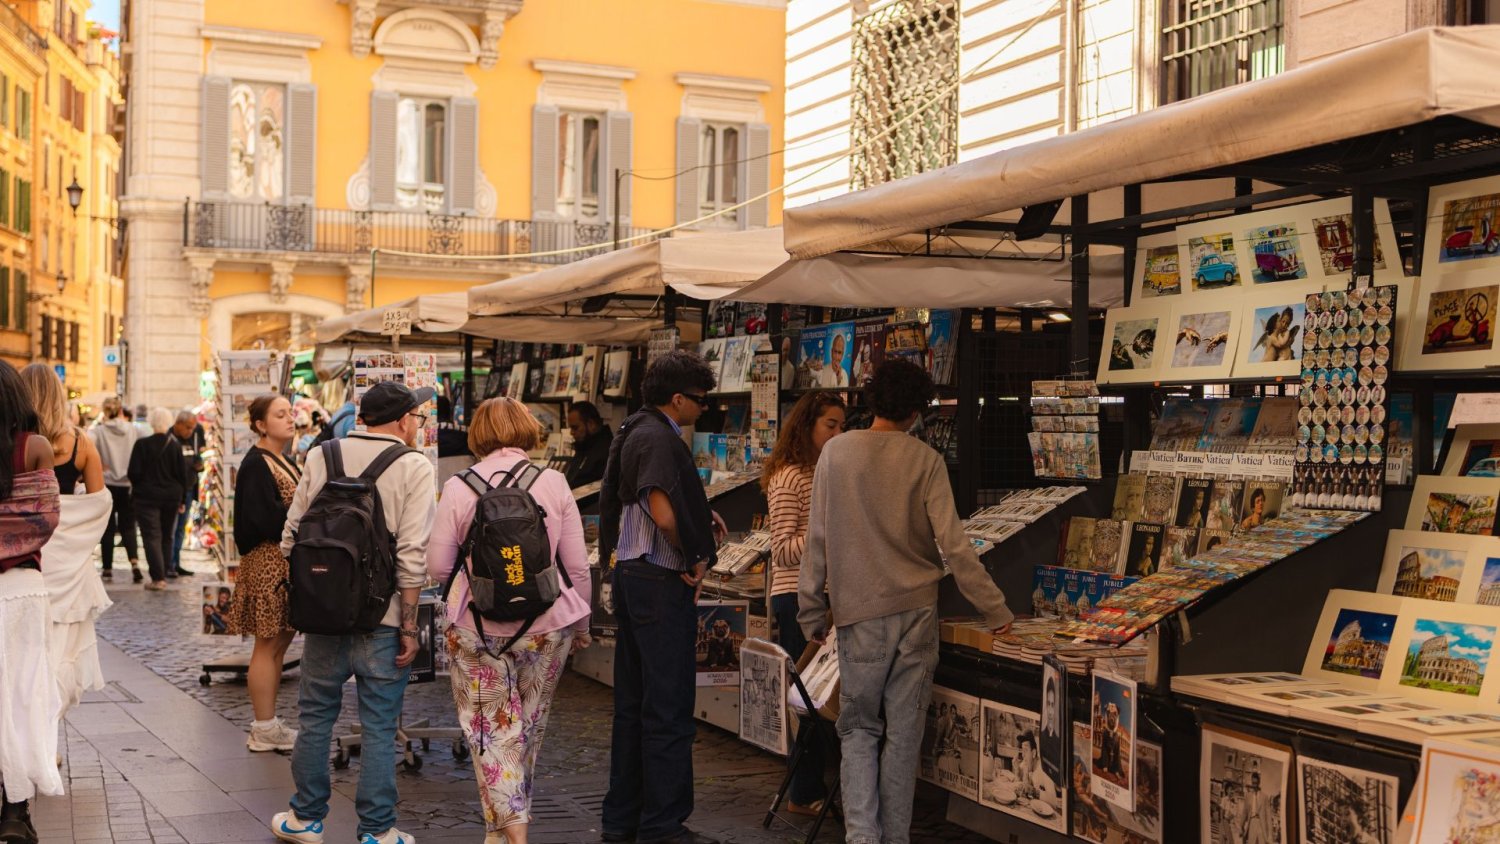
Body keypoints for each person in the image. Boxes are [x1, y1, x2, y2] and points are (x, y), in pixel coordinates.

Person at [798, 359, 1013, 844]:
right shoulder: (926, 461)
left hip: (858, 614)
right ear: (917, 410)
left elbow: (818, 540)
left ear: (872, 400)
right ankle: (896, 837)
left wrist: (811, 610)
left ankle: (861, 837)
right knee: (903, 735)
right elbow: (955, 547)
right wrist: (995, 609)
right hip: (917, 613)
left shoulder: (836, 453)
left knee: (857, 729)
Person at [272, 381, 435, 844]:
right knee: (381, 727)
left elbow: (291, 538)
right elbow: (411, 556)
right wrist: (409, 626)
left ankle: (305, 820)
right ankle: (377, 831)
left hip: (324, 618)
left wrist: (324, 587)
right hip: (382, 620)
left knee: (315, 718)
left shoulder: (323, 454)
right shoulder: (412, 466)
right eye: (416, 418)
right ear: (404, 420)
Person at [425, 397, 592, 844]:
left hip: (476, 629)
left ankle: (507, 833)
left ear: (478, 434)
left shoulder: (459, 486)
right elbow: (576, 568)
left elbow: (439, 568)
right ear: (526, 429)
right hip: (546, 625)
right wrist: (581, 626)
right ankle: (510, 829)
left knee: (490, 731)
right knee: (528, 730)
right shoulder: (554, 482)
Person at [599, 351, 727, 844]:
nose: (702, 409)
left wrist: (698, 515)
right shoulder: (657, 437)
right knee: (668, 706)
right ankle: (663, 825)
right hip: (656, 577)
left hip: (634, 577)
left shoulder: (635, 428)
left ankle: (623, 820)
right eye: (699, 401)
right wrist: (693, 557)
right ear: (678, 399)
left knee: (634, 704)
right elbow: (662, 511)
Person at [762, 391, 845, 815]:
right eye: (829, 425)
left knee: (821, 694)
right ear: (807, 425)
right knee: (809, 698)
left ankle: (810, 787)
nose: (837, 433)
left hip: (825, 594)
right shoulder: (789, 476)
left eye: (840, 426)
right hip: (796, 596)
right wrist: (826, 533)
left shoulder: (823, 471)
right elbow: (782, 550)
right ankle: (803, 792)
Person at [20, 365, 113, 717]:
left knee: (25, 648)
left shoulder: (14, 444)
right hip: (69, 567)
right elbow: (99, 503)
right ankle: (46, 735)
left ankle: (24, 732)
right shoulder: (79, 444)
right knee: (61, 648)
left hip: (25, 556)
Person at [0, 360, 64, 843]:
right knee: (23, 699)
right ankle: (15, 810)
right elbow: (43, 521)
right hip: (21, 587)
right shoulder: (35, 447)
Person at [227, 395, 302, 752]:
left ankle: (268, 723)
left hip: (283, 564)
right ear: (260, 424)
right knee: (267, 644)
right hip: (267, 565)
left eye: (290, 412)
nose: (290, 418)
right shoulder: (258, 463)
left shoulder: (280, 458)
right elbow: (261, 519)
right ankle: (262, 726)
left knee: (279, 644)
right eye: (280, 414)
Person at [127, 408, 189, 591]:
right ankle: (165, 572)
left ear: (151, 421)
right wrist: (183, 500)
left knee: (151, 536)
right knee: (167, 535)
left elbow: (133, 473)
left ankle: (158, 577)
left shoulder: (142, 445)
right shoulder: (175, 445)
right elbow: (181, 475)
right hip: (171, 497)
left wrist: (143, 485)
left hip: (147, 497)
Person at [91, 396, 144, 583]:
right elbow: (148, 434)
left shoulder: (98, 431)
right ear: (121, 410)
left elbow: (86, 441)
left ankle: (107, 569)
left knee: (108, 527)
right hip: (128, 484)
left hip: (107, 483)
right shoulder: (133, 429)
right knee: (128, 526)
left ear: (105, 412)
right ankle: (135, 564)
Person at [170, 409, 205, 577]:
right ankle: (169, 564)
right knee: (172, 528)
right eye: (188, 428)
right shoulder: (170, 439)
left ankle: (176, 562)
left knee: (181, 529)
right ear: (178, 424)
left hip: (189, 489)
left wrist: (199, 465)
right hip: (175, 491)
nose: (191, 431)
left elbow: (195, 460)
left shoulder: (191, 439)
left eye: (193, 428)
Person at [564, 401, 613, 488]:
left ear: (591, 424)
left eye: (575, 428)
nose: (571, 432)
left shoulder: (607, 452)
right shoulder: (583, 445)